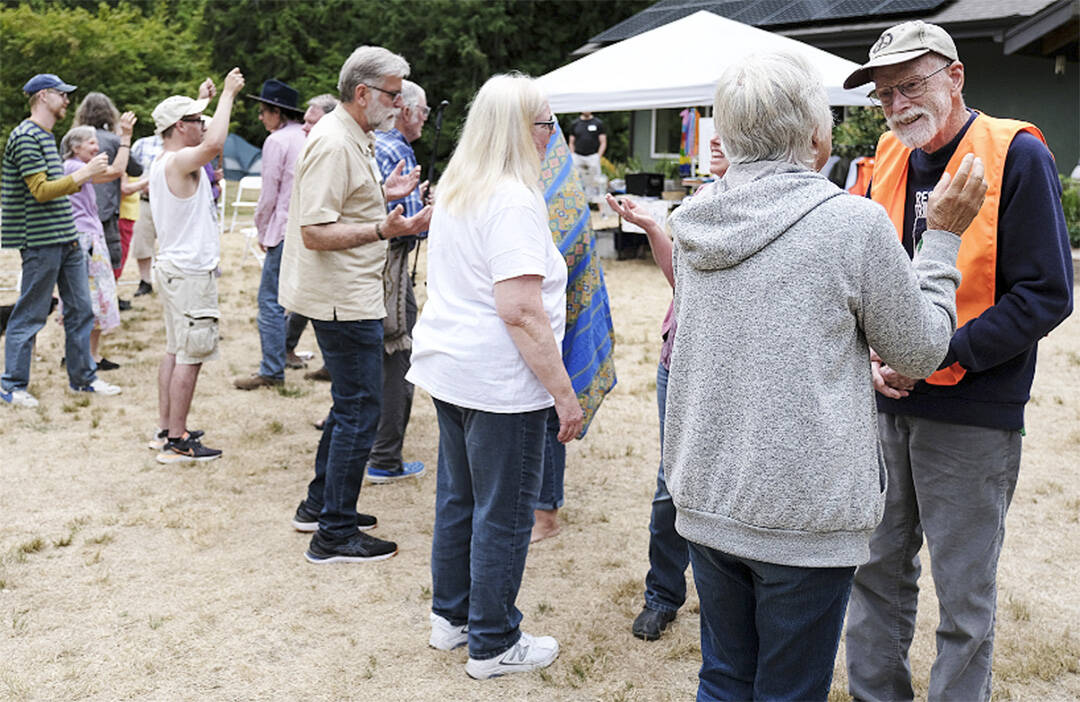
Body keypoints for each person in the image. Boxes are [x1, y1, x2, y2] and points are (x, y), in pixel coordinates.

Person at [663, 51, 987, 701]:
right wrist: (943, 238)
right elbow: (923, 351)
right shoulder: (851, 224)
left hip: (706, 494)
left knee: (725, 678)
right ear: (817, 136)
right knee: (789, 689)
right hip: (801, 514)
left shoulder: (693, 222)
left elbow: (761, 338)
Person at [841, 21, 1074, 702]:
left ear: (956, 75)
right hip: (885, 402)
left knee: (964, 598)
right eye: (884, 94)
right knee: (875, 575)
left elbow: (1046, 295)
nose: (897, 104)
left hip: (973, 413)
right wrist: (877, 358)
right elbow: (861, 278)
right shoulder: (885, 156)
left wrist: (940, 356)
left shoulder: (1016, 154)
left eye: (910, 85)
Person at [407, 73, 583, 680]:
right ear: (518, 129)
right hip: (499, 380)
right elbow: (520, 309)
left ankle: (452, 617)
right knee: (503, 511)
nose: (549, 137)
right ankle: (492, 641)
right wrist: (565, 394)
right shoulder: (510, 196)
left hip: (454, 369)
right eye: (544, 125)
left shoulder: (461, 184)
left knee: (459, 498)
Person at [278, 46, 429, 563]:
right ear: (361, 93)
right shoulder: (335, 142)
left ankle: (321, 506)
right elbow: (316, 231)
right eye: (392, 93)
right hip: (343, 298)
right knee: (361, 410)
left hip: (351, 292)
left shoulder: (354, 136)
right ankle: (334, 533)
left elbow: (341, 205)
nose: (399, 102)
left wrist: (384, 195)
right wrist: (382, 227)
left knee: (350, 407)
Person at [606, 130, 729, 641]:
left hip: (727, 368)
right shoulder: (701, 200)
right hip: (678, 359)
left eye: (731, 129)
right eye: (714, 131)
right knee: (669, 482)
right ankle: (662, 594)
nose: (717, 139)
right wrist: (654, 227)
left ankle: (728, 601)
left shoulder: (776, 204)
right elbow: (680, 277)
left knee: (726, 481)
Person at [1, 73, 122, 408]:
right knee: (31, 313)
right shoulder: (26, 136)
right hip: (40, 240)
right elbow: (40, 191)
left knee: (82, 310)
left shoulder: (44, 135)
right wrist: (83, 173)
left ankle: (83, 379)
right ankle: (11, 384)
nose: (68, 101)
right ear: (42, 96)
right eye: (62, 95)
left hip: (65, 236)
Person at [149, 68, 245, 463]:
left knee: (175, 351)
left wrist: (201, 101)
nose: (203, 124)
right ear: (179, 127)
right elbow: (216, 141)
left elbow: (196, 129)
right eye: (195, 120)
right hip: (189, 273)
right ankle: (177, 440)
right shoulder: (179, 161)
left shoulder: (165, 158)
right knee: (191, 355)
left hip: (176, 269)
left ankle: (167, 429)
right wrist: (227, 95)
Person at [531, 124, 619, 543]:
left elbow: (566, 246)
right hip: (528, 317)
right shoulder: (519, 175)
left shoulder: (559, 185)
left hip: (553, 318)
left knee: (550, 410)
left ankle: (546, 512)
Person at [367, 79, 430, 483]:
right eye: (422, 111)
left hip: (371, 270)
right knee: (397, 353)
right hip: (389, 269)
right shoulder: (397, 149)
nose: (424, 119)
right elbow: (405, 230)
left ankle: (375, 446)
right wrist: (427, 218)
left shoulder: (376, 144)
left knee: (376, 353)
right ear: (405, 110)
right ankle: (385, 458)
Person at [233, 79, 307, 391]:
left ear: (277, 112)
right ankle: (289, 350)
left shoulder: (277, 142)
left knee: (270, 301)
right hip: (311, 228)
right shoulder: (309, 136)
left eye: (264, 111)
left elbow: (269, 195)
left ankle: (272, 368)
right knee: (306, 297)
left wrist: (262, 229)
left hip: (284, 228)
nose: (261, 118)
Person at [60, 121, 136, 370]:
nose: (97, 146)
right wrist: (125, 139)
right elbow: (116, 171)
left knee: (92, 298)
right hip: (85, 241)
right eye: (91, 142)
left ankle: (86, 355)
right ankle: (86, 357)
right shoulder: (73, 167)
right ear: (75, 146)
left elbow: (115, 171)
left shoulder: (78, 167)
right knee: (92, 297)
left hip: (89, 238)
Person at [286, 93, 340, 373]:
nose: (303, 128)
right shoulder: (312, 150)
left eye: (311, 122)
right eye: (304, 122)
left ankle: (331, 364)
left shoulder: (333, 153)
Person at [72, 92, 144, 290]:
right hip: (106, 214)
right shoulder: (114, 141)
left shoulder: (72, 141)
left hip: (77, 215)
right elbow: (137, 169)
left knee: (78, 266)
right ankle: (106, 304)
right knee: (108, 263)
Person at [129, 132, 163, 298]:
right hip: (144, 200)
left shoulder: (181, 146)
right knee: (142, 243)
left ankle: (168, 281)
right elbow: (129, 172)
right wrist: (140, 185)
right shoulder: (141, 143)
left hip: (168, 203)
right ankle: (145, 281)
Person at [568, 110, 606, 200]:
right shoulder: (575, 123)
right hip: (578, 156)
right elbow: (571, 142)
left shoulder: (598, 123)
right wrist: (572, 154)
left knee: (596, 180)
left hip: (592, 156)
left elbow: (603, 142)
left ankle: (598, 204)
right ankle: (576, 200)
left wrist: (598, 156)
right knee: (575, 178)